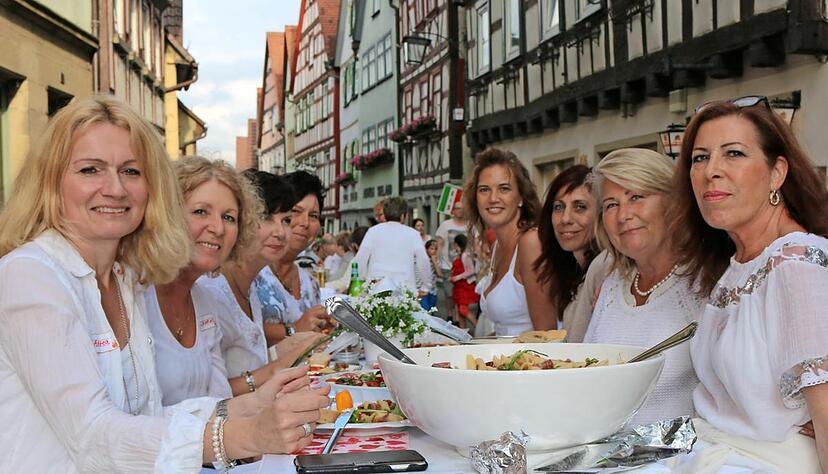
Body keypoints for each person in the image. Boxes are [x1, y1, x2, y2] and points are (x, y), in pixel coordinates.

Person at [0, 97, 330, 471]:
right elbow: (92, 434)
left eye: (131, 171)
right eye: (90, 169)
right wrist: (245, 433)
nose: (115, 189)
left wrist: (257, 400)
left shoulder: (123, 280)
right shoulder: (30, 275)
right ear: (50, 180)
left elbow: (151, 414)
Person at [668, 97, 828, 472]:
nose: (712, 171)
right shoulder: (737, 266)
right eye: (700, 158)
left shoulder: (797, 262)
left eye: (734, 154)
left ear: (776, 173)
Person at [583, 148, 702, 426]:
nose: (623, 214)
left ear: (672, 203)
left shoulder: (702, 284)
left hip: (680, 462)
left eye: (636, 197)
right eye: (611, 204)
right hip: (608, 459)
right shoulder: (612, 286)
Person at [196, 170, 323, 395]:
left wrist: (291, 347)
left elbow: (249, 359)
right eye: (266, 218)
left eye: (285, 220)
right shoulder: (211, 290)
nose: (281, 232)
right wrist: (277, 367)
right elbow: (206, 394)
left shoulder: (250, 288)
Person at [145, 157, 258, 406]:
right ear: (167, 214)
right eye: (200, 212)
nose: (218, 228)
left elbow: (220, 402)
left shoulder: (205, 301)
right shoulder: (135, 294)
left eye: (229, 217)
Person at [464, 148, 556, 335]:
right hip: (504, 360)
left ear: (521, 196)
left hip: (529, 362)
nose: (493, 198)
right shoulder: (498, 246)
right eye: (484, 190)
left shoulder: (531, 243)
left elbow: (547, 335)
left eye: (504, 188)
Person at [535, 164, 609, 343]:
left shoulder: (604, 265)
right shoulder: (571, 270)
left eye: (580, 207)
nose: (565, 219)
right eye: (559, 207)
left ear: (600, 214)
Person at [270, 171, 331, 327]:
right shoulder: (253, 273)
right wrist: (295, 329)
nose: (305, 223)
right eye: (296, 211)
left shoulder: (311, 284)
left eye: (313, 216)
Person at [352, 197, 431, 294]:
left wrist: (360, 282)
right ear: (403, 216)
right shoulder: (413, 234)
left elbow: (360, 259)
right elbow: (423, 260)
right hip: (405, 288)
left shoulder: (373, 231)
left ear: (385, 214)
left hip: (377, 287)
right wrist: (426, 286)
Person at [435, 199, 467, 320]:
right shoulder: (445, 225)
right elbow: (440, 243)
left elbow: (475, 244)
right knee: (449, 294)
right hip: (448, 266)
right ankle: (449, 315)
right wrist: (437, 262)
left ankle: (458, 318)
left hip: (465, 267)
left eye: (463, 208)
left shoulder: (469, 225)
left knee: (461, 295)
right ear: (453, 211)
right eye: (458, 208)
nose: (461, 211)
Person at [449, 234, 479, 329]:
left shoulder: (465, 255)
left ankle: (478, 326)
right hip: (459, 287)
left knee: (463, 309)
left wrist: (457, 277)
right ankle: (463, 332)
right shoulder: (460, 255)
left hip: (464, 286)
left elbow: (471, 270)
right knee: (460, 311)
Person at [420, 239, 442, 310]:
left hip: (433, 289)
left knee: (431, 309)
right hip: (423, 289)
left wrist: (434, 262)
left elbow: (439, 274)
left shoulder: (437, 261)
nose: (434, 251)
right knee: (425, 308)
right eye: (431, 249)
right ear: (426, 249)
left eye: (435, 249)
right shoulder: (422, 260)